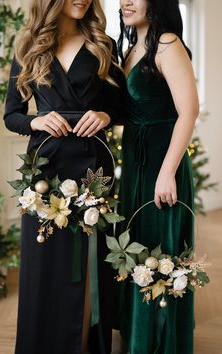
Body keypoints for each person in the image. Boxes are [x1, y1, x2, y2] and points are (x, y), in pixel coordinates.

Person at [3, 1, 125, 354]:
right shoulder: (28, 45)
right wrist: (36, 121)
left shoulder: (103, 44)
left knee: (87, 263)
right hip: (44, 172)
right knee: (44, 265)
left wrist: (103, 114)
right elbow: (12, 115)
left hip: (92, 170)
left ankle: (85, 345)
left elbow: (119, 109)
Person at [116, 0, 199, 353]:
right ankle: (139, 338)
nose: (126, 1)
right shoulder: (133, 47)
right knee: (135, 251)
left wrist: (167, 172)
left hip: (161, 164)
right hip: (135, 162)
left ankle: (161, 344)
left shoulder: (167, 43)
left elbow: (189, 110)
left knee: (159, 252)